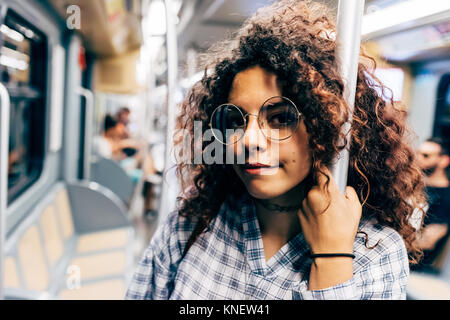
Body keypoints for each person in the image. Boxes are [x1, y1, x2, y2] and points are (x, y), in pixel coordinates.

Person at [126, 0, 426, 300]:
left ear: (329, 126)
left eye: (281, 118)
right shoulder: (195, 219)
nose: (248, 140)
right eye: (236, 120)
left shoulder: (376, 252)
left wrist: (332, 259)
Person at [411, 137, 450, 273]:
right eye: (418, 153)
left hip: (416, 268)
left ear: (444, 161)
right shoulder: (413, 186)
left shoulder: (446, 197)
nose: (418, 158)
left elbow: (428, 241)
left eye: (426, 155)